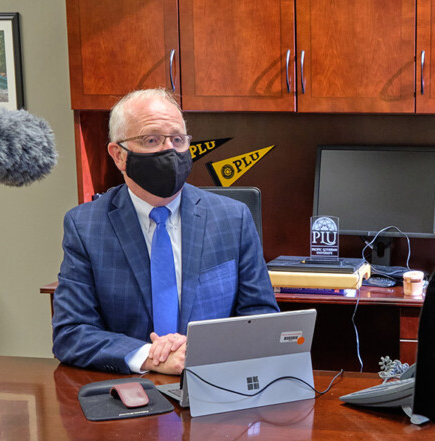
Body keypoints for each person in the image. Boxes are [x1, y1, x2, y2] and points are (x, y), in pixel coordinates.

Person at [52, 89, 278, 375]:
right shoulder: (85, 227)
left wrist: (198, 351)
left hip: (215, 384)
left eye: (178, 139)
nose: (169, 150)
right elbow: (71, 332)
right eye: (151, 140)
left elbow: (261, 317)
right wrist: (151, 357)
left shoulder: (232, 218)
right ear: (119, 155)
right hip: (129, 394)